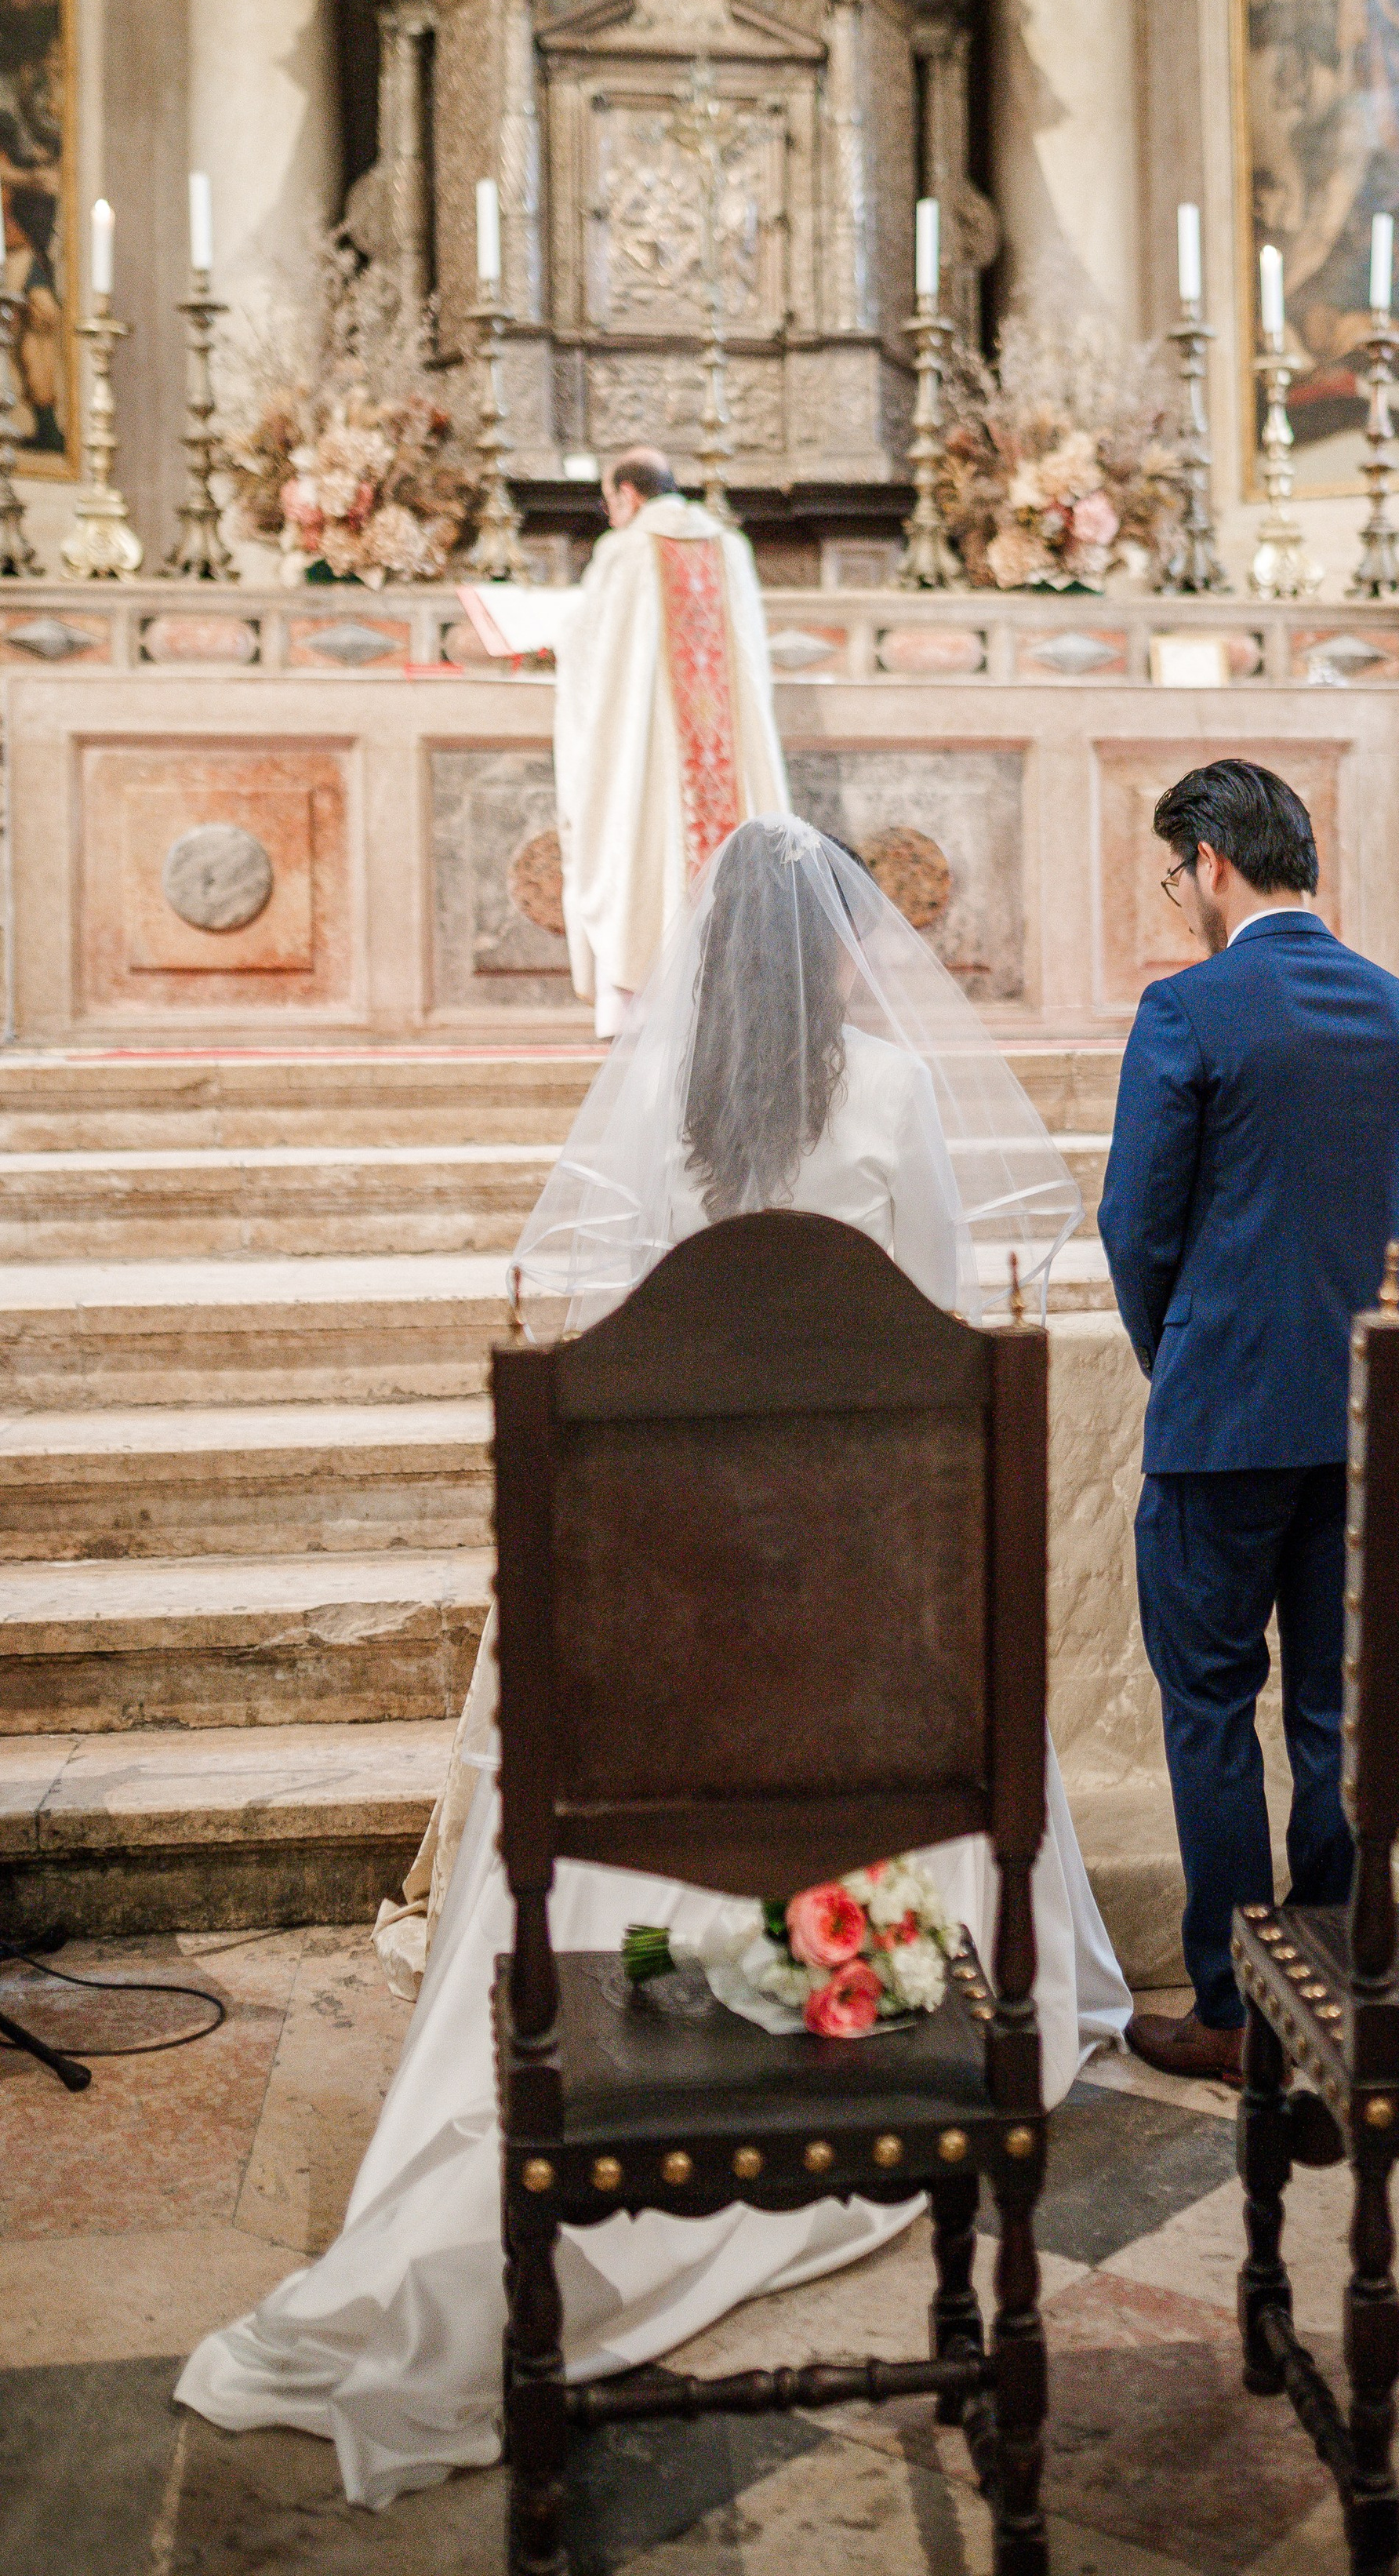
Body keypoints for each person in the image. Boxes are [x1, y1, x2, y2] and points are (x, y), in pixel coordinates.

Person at [177, 817, 1130, 2508]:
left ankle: (621, 2001)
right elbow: (928, 1320)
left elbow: (611, 1323)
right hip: (841, 1531)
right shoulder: (893, 1100)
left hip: (685, 1539)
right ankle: (873, 1968)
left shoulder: (670, 1109)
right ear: (832, 953)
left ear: (708, 961)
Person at [1097, 761, 1399, 2086]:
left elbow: (1137, 1223)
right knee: (1338, 1713)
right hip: (1370, 1412)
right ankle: (1340, 1982)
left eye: (1173, 873)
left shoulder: (1189, 1010)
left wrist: (1181, 1353)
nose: (1178, 896)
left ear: (1209, 861)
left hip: (1222, 1418)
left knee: (1209, 1707)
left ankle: (1238, 2008)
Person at [553, 449, 790, 1040]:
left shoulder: (626, 551)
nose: (611, 516)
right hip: (725, 741)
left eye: (611, 503)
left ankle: (637, 1004)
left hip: (646, 746)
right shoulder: (730, 548)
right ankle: (740, 997)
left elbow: (589, 647)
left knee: (640, 837)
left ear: (629, 496)